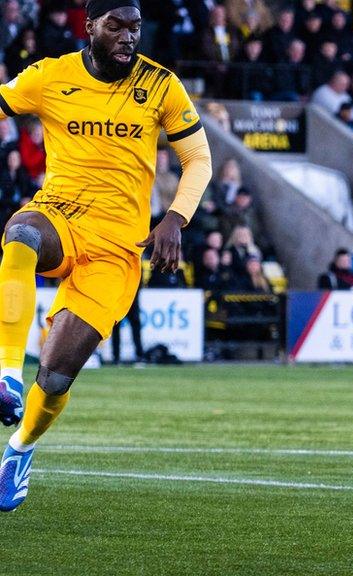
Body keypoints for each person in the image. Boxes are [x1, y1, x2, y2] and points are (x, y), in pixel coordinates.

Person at [0, 0, 212, 512]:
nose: (127, 37)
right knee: (22, 232)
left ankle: (20, 450)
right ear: (90, 26)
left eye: (135, 27)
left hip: (119, 246)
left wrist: (175, 217)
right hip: (61, 215)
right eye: (115, 26)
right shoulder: (50, 76)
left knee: (54, 376)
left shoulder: (161, 85)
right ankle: (5, 372)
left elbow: (198, 159)